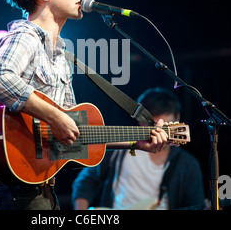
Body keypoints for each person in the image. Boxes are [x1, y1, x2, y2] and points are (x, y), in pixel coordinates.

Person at [0, 0, 169, 210]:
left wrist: (135, 142)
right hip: (13, 188)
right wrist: (55, 116)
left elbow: (73, 135)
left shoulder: (63, 53)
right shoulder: (25, 36)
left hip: (40, 188)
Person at [72, 87, 206, 210]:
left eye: (165, 126)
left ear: (177, 118)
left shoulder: (188, 165)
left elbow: (194, 205)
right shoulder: (118, 148)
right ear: (140, 121)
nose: (160, 133)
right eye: (153, 126)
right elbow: (84, 183)